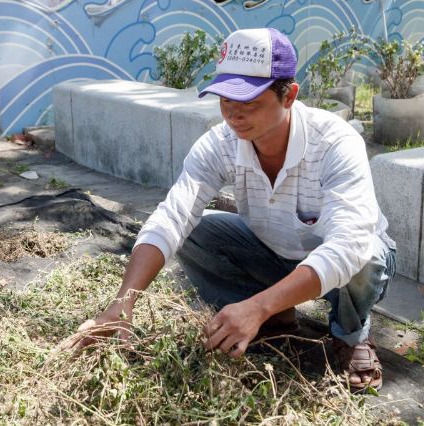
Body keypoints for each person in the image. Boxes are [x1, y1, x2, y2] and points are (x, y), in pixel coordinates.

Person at [66, 28, 396, 392]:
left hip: (347, 266)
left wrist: (256, 306)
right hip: (273, 252)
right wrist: (123, 303)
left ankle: (350, 335)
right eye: (225, 99)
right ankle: (277, 316)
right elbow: (172, 216)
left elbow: (348, 246)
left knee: (366, 255)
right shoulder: (220, 143)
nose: (234, 114)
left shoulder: (334, 143)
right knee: (199, 231)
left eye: (250, 101)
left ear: (289, 96)